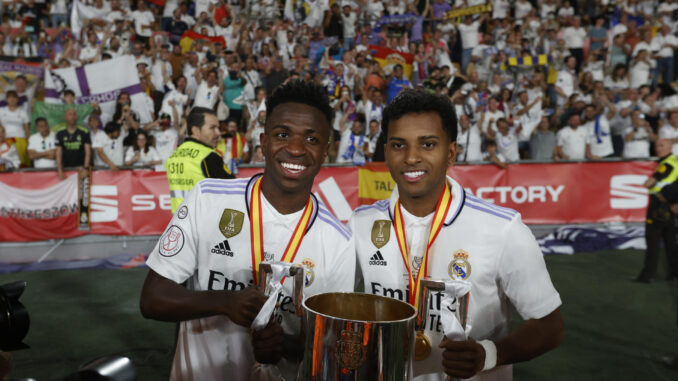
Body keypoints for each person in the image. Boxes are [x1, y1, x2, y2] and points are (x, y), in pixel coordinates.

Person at [139, 80, 356, 380]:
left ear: (325, 151)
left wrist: (285, 345)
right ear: (264, 142)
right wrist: (224, 301)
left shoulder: (340, 241)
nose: (295, 148)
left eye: (311, 139)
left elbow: (333, 347)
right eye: (282, 134)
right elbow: (152, 298)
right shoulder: (208, 198)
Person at [349, 89, 562, 380]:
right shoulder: (361, 223)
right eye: (399, 145)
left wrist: (489, 354)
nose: (411, 157)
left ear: (451, 152)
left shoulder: (503, 228)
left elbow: (549, 326)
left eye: (427, 144)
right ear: (386, 152)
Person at [165, 106, 234, 213]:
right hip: (203, 223)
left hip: (179, 222)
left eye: (218, 128)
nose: (218, 133)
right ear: (196, 130)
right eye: (212, 128)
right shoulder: (208, 156)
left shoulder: (174, 155)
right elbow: (234, 191)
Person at [635, 139, 678, 284]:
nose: (658, 149)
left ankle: (647, 275)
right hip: (671, 205)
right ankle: (673, 274)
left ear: (670, 147)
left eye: (661, 146)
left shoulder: (666, 164)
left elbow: (650, 183)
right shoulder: (674, 161)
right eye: (656, 145)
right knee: (670, 241)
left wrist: (648, 183)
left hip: (659, 205)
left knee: (652, 240)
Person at [55, 108, 92, 180]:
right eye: (70, 114)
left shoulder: (84, 131)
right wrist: (59, 169)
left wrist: (86, 168)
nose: (72, 116)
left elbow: (88, 151)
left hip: (81, 168)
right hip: (66, 169)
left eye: (74, 114)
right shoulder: (60, 133)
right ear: (65, 117)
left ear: (77, 117)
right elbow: (58, 152)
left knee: (81, 191)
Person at [0, 90, 30, 167]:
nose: (12, 99)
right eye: (9, 97)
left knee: (21, 163)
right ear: (6, 100)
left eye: (14, 97)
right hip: (5, 141)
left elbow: (27, 129)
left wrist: (28, 142)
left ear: (17, 99)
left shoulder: (23, 112)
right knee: (5, 163)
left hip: (21, 140)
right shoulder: (1, 111)